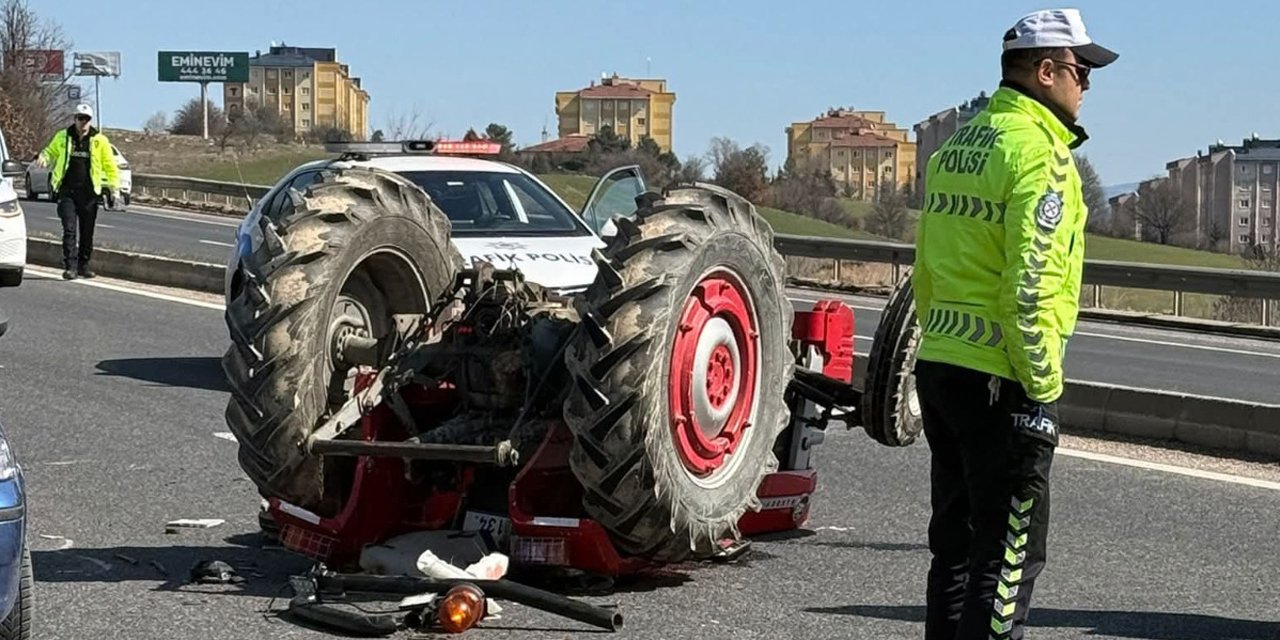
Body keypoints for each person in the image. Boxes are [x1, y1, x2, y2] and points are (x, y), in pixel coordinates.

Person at [910, 8, 1117, 640]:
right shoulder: (1043, 158)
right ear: (1046, 70)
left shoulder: (956, 149)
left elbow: (929, 266)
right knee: (1008, 560)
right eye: (1082, 71)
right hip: (1004, 379)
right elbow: (1029, 287)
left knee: (956, 547)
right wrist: (1043, 387)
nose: (1087, 87)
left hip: (942, 366)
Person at [33, 104, 119, 279]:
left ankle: (83, 265)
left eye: (86, 119)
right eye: (80, 118)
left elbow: (110, 165)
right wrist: (44, 157)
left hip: (89, 193)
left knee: (87, 232)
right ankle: (70, 266)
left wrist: (113, 188)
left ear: (90, 121)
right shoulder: (63, 137)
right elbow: (51, 151)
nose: (83, 122)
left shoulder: (99, 141)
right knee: (69, 229)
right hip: (67, 191)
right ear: (75, 119)